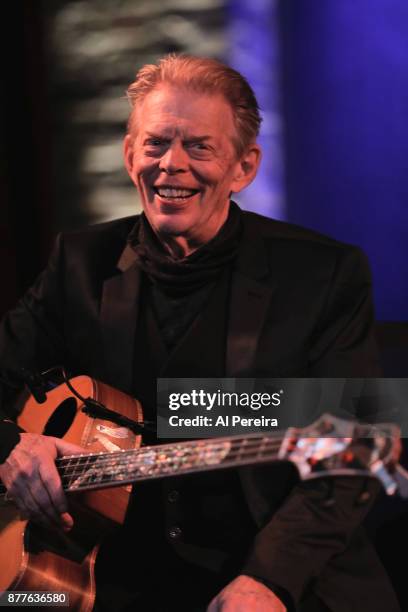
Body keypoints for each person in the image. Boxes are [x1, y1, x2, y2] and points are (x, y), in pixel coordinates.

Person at [0, 54, 400, 611]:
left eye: (199, 147)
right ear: (129, 153)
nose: (172, 165)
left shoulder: (323, 275)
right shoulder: (80, 261)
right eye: (156, 143)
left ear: (244, 167)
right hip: (106, 573)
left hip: (281, 574)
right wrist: (16, 448)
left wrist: (268, 580)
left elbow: (354, 449)